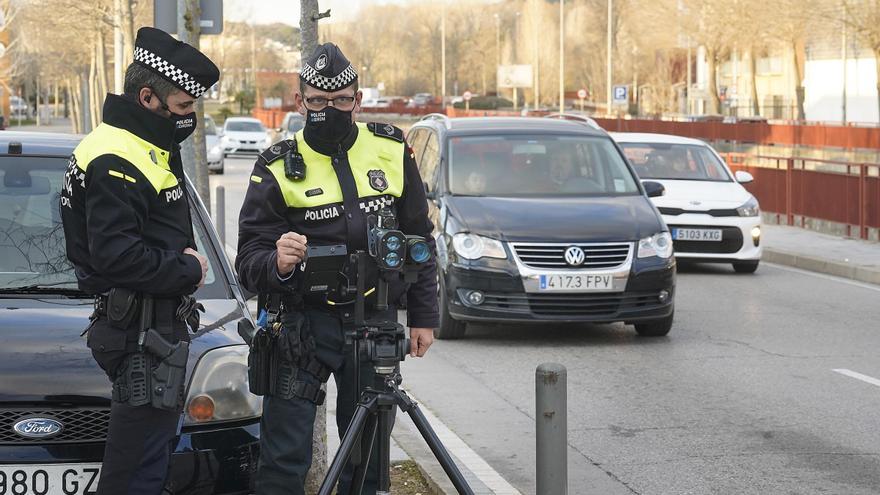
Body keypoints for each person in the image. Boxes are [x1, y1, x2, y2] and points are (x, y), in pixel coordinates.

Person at [235, 43, 439, 495]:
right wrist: (277, 261)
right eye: (318, 101)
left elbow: (418, 237)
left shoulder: (390, 148)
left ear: (358, 100)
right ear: (300, 101)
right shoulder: (275, 165)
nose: (330, 109)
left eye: (342, 100)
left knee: (367, 461)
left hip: (374, 319)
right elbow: (247, 260)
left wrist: (424, 317)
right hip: (302, 325)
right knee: (284, 458)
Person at [60, 27, 219, 494]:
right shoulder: (117, 155)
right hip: (141, 334)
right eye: (183, 106)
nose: (189, 117)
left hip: (147, 329)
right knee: (136, 474)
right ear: (148, 98)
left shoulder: (136, 142)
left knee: (146, 466)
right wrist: (189, 269)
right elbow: (117, 256)